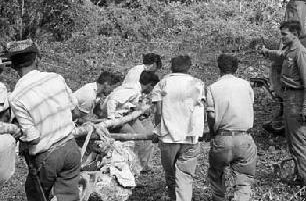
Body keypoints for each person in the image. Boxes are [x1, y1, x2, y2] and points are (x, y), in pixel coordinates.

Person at [7, 39, 81, 201]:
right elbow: (75, 112)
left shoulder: (16, 96)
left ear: (12, 66)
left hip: (48, 156)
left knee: (36, 194)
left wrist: (20, 135)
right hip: (71, 148)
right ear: (37, 59)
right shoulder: (55, 77)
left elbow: (33, 138)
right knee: (68, 196)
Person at [261, 20, 306, 189]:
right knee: (292, 141)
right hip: (289, 99)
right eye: (282, 34)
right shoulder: (289, 51)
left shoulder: (301, 53)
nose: (282, 37)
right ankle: (303, 176)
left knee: (300, 141)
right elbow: (279, 56)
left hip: (297, 100)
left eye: (285, 34)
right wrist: (266, 52)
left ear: (295, 34)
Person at [151, 55, 205, 201]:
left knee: (170, 174)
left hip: (169, 137)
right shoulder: (197, 83)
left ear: (171, 66)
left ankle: (173, 197)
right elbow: (200, 109)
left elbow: (158, 111)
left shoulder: (163, 83)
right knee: (185, 177)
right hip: (190, 136)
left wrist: (157, 129)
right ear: (189, 67)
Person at [206, 53, 257, 201]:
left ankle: (219, 198)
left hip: (223, 138)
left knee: (216, 175)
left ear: (219, 67)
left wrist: (212, 131)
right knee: (244, 180)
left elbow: (211, 116)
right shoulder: (246, 85)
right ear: (236, 68)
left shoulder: (213, 88)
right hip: (244, 138)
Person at [106, 71, 160, 172]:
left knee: (144, 136)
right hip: (118, 118)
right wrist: (111, 118)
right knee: (134, 141)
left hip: (128, 115)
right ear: (149, 85)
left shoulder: (137, 91)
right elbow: (112, 100)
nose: (152, 90)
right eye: (153, 87)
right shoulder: (132, 90)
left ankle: (139, 166)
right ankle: (129, 168)